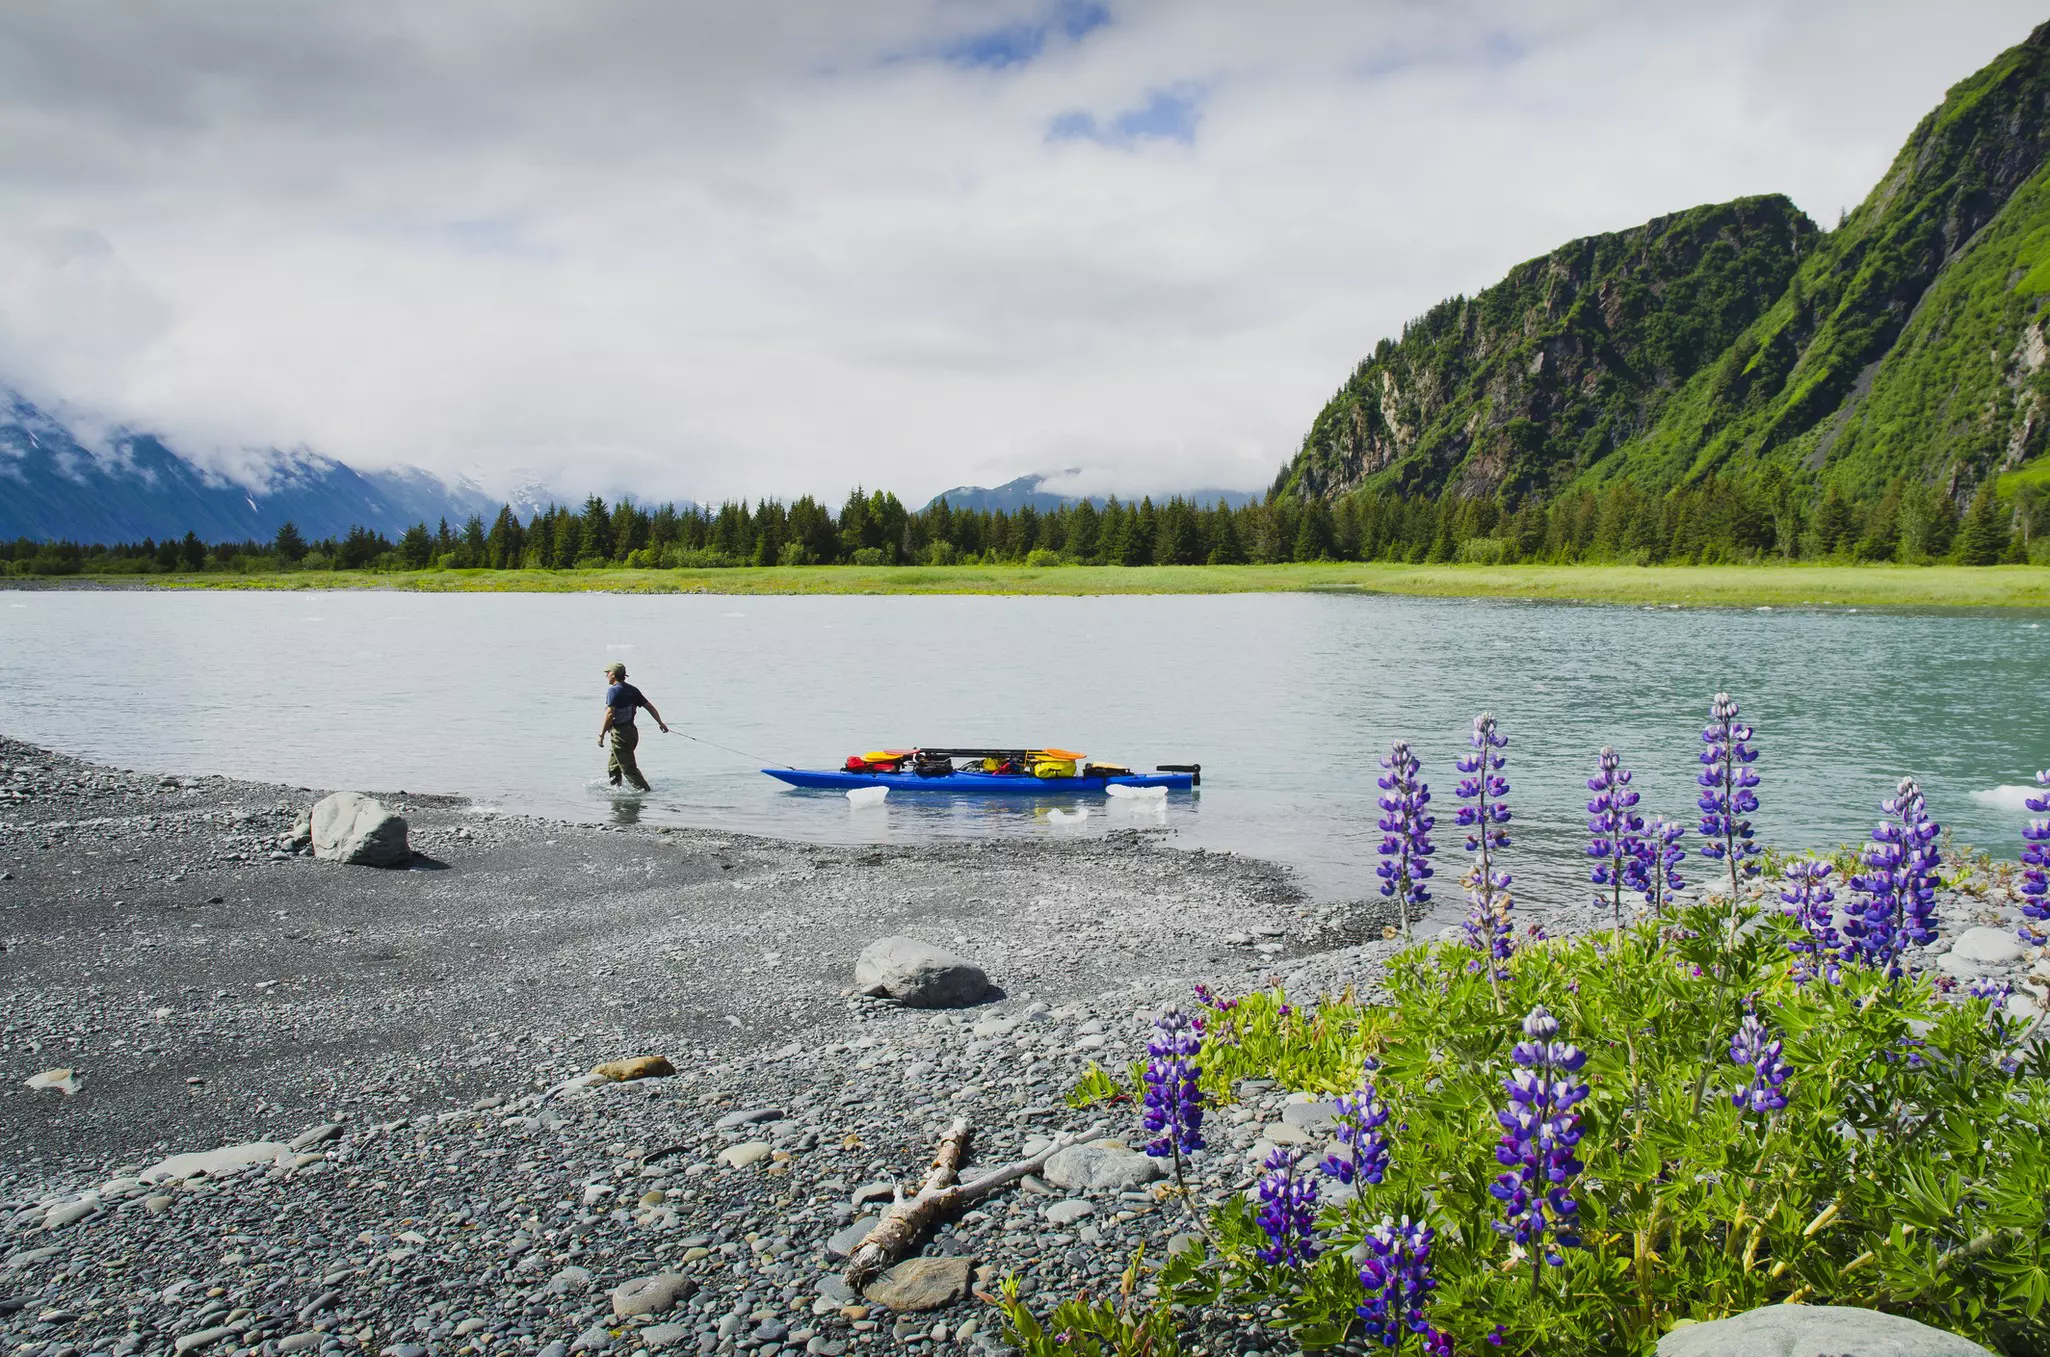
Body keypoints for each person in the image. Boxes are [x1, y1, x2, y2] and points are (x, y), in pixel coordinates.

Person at [599, 662, 668, 791]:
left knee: (628, 768)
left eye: (607, 673)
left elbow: (610, 713)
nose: (606, 675)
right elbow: (649, 707)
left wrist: (601, 735)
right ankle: (615, 791)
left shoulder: (613, 690)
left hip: (620, 735)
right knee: (614, 766)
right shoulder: (632, 690)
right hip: (631, 732)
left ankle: (646, 792)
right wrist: (660, 723)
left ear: (613, 675)